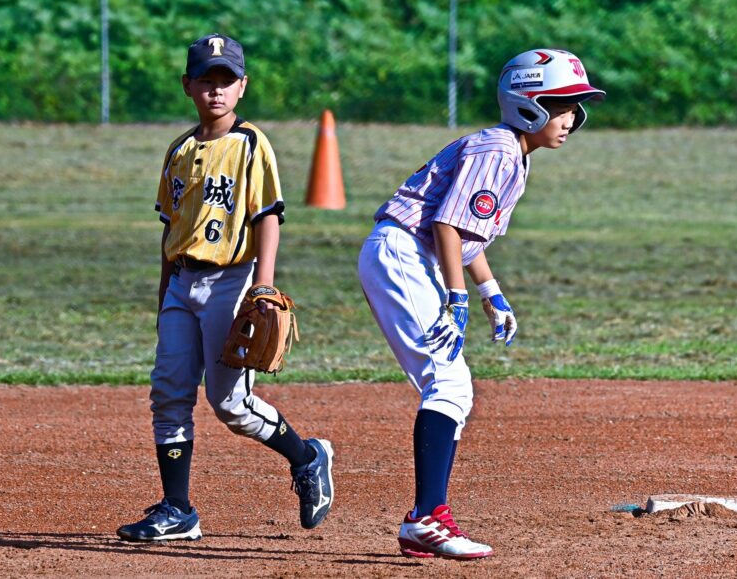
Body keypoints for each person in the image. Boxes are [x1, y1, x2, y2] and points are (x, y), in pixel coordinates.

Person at [358, 48, 605, 560]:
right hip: (405, 253)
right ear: (527, 106)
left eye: (575, 107)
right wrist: (457, 295)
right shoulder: (497, 150)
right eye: (561, 105)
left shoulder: (513, 153)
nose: (571, 118)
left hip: (411, 255)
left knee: (452, 386)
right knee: (446, 382)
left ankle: (427, 517)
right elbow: (446, 224)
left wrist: (491, 292)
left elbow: (470, 236)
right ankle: (427, 519)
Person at [117, 33, 334, 542]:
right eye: (206, 80)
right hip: (180, 283)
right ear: (187, 85)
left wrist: (264, 286)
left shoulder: (251, 144)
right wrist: (162, 297)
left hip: (232, 281)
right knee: (168, 392)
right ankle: (177, 509)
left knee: (230, 405)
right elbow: (169, 230)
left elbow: (268, 218)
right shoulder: (178, 150)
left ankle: (307, 458)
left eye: (227, 80)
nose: (216, 90)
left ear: (243, 87)